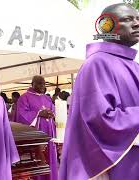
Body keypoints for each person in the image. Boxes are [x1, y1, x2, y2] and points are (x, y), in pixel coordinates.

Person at [59, 3, 139, 180]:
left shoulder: (134, 65)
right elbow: (100, 119)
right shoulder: (97, 63)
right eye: (127, 19)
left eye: (137, 18)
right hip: (118, 164)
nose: (136, 23)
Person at [15, 75, 57, 180]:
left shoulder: (47, 98)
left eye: (43, 83)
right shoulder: (24, 97)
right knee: (39, 160)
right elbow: (21, 115)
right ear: (32, 84)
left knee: (49, 158)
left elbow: (53, 111)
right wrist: (38, 113)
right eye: (39, 83)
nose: (42, 85)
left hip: (49, 134)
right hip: (36, 135)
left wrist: (52, 114)